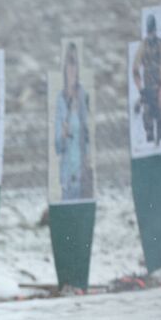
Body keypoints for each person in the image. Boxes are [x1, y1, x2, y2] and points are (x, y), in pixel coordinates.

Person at [54, 42, 94, 201]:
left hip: (82, 172)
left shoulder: (83, 94)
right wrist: (62, 134)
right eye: (69, 63)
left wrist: (88, 157)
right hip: (67, 174)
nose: (72, 68)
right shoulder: (60, 99)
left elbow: (87, 133)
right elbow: (57, 146)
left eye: (74, 63)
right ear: (64, 67)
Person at [133, 13, 161, 147]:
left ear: (155, 30)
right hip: (148, 89)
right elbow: (135, 69)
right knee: (148, 126)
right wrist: (141, 90)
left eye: (153, 31)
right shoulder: (143, 46)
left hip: (160, 87)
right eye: (149, 31)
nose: (151, 34)